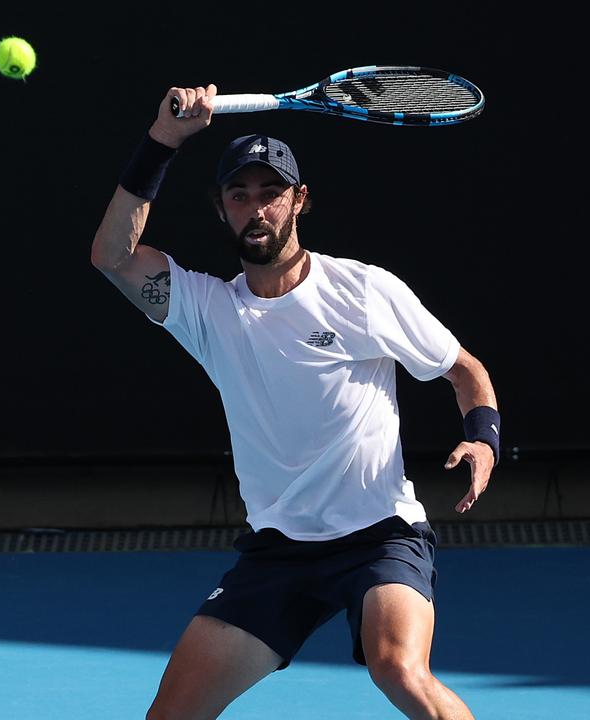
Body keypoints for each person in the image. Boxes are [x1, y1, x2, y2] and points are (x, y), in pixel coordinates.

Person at [91, 84, 499, 720]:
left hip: (381, 537)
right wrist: (162, 142)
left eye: (271, 194)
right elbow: (112, 256)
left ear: (298, 201)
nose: (257, 210)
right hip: (278, 550)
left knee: (400, 670)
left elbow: (463, 370)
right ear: (222, 208)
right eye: (240, 195)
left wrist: (483, 435)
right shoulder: (208, 310)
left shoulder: (364, 292)